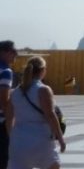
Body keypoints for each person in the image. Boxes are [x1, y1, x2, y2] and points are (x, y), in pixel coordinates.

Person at [6, 56, 66, 169]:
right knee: (53, 166)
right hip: (41, 139)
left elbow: (9, 119)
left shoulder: (15, 92)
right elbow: (51, 115)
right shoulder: (43, 90)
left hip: (18, 141)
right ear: (43, 70)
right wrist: (61, 139)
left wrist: (13, 136)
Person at [1, 40, 19, 169]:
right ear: (4, 52)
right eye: (13, 52)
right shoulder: (6, 71)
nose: (15, 55)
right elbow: (4, 101)